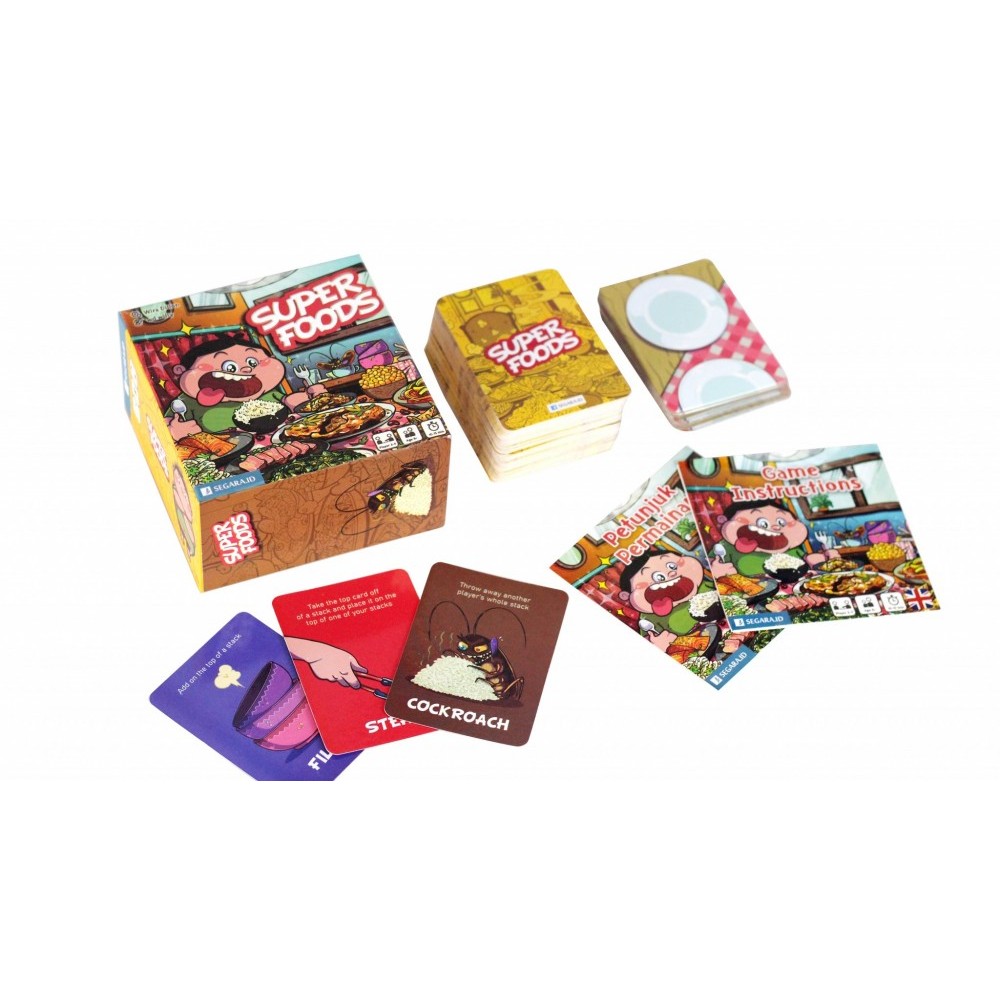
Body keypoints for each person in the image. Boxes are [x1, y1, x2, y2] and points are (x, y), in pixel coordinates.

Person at [165, 335, 316, 440]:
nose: (246, 369)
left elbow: (287, 405)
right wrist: (174, 432)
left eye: (252, 362)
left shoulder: (266, 393)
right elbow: (165, 424)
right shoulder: (184, 402)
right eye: (230, 366)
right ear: (181, 371)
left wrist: (299, 402)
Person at [617, 550, 714, 653]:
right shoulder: (648, 619)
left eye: (672, 566)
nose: (671, 573)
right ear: (626, 596)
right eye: (658, 577)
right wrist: (661, 646)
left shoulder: (704, 586)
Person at [711, 499, 837, 577]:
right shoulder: (724, 547)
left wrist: (817, 562)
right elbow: (708, 567)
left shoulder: (790, 546)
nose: (775, 526)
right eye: (763, 522)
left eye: (781, 522)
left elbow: (803, 564)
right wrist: (715, 573)